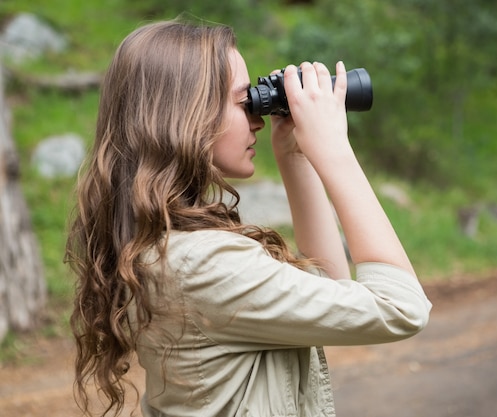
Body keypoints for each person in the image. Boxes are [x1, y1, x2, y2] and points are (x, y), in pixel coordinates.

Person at [65, 19, 432, 417]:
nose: (257, 118)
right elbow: (401, 308)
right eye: (244, 103)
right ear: (188, 116)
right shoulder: (202, 264)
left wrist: (295, 154)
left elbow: (329, 291)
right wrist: (336, 152)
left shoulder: (169, 245)